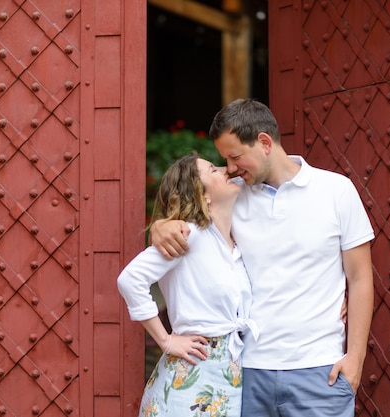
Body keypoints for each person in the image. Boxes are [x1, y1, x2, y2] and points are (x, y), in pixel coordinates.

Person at [150, 99, 374, 417]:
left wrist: (356, 357)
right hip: (248, 373)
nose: (229, 167)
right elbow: (183, 224)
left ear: (264, 143)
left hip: (319, 371)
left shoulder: (337, 191)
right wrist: (160, 227)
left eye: (235, 156)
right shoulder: (232, 197)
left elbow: (361, 278)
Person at [117, 152, 259, 417]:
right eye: (213, 170)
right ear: (201, 194)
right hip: (192, 376)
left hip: (232, 377)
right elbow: (130, 279)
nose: (225, 169)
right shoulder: (188, 236)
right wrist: (166, 340)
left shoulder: (237, 244)